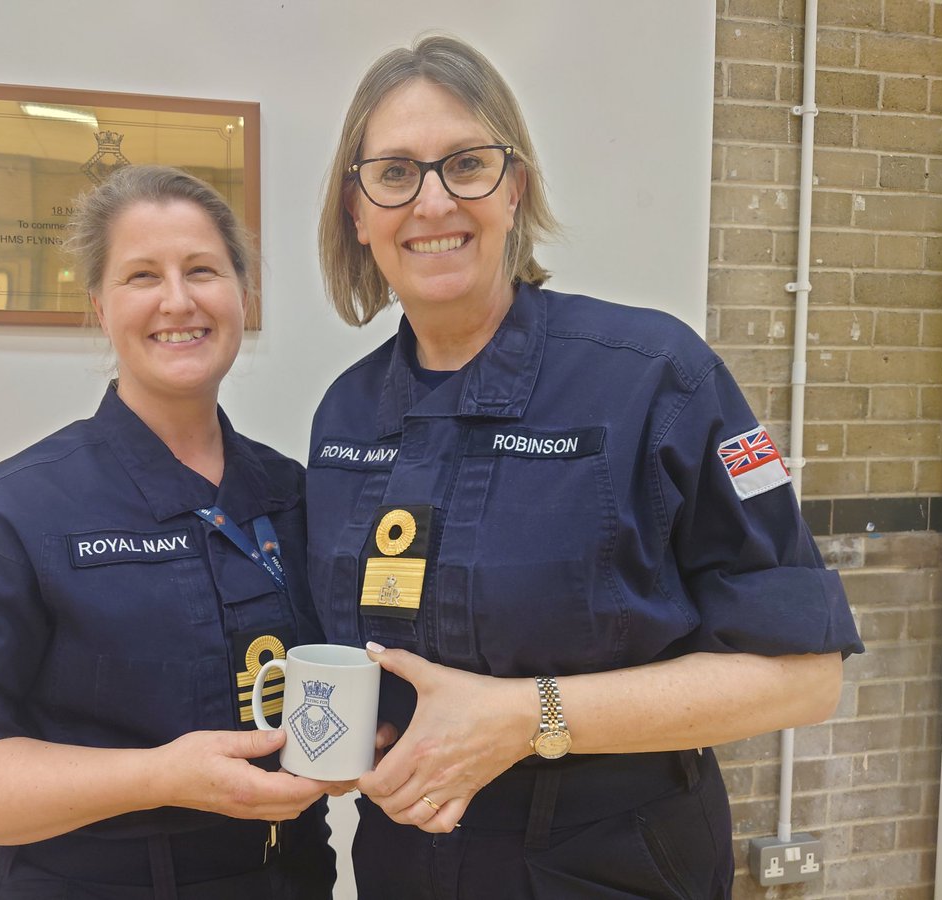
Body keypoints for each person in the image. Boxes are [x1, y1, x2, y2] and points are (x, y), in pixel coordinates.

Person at [307, 34, 863, 899]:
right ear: (357, 211)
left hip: (613, 868)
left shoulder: (653, 376)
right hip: (403, 869)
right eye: (394, 173)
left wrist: (529, 718)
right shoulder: (344, 414)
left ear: (515, 186)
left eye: (467, 164)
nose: (433, 200)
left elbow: (805, 677)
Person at [0, 165, 342, 899]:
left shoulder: (295, 496)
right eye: (142, 275)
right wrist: (156, 777)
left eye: (203, 270)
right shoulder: (11, 515)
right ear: (99, 305)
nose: (177, 300)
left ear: (243, 297)